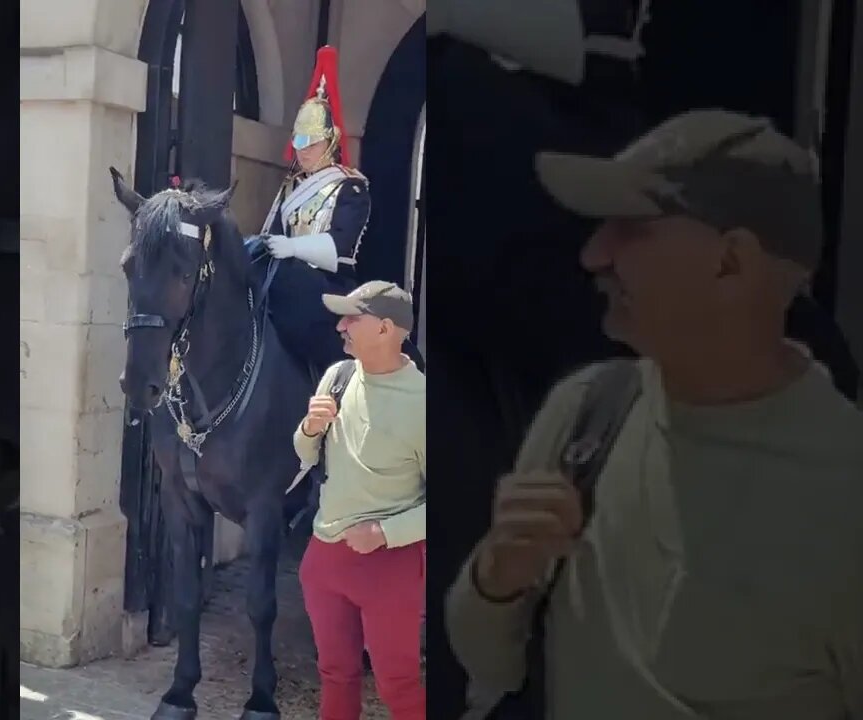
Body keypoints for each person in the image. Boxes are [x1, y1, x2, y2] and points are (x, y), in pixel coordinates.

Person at [446, 108, 863, 719]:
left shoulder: (845, 491)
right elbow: (487, 662)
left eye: (630, 227)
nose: (594, 254)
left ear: (731, 263)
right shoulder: (589, 412)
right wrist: (497, 576)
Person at [293, 280, 427, 720]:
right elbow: (306, 453)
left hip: (389, 565)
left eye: (353, 317)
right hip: (325, 557)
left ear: (386, 329)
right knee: (335, 673)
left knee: (398, 685)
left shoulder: (425, 403)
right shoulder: (338, 376)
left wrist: (385, 533)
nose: (340, 326)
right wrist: (309, 430)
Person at [249, 47, 423, 377]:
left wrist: (293, 247)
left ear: (330, 141)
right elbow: (269, 236)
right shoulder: (291, 187)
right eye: (298, 142)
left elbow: (339, 248)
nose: (303, 151)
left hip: (327, 284)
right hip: (285, 280)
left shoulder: (351, 187)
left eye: (311, 143)